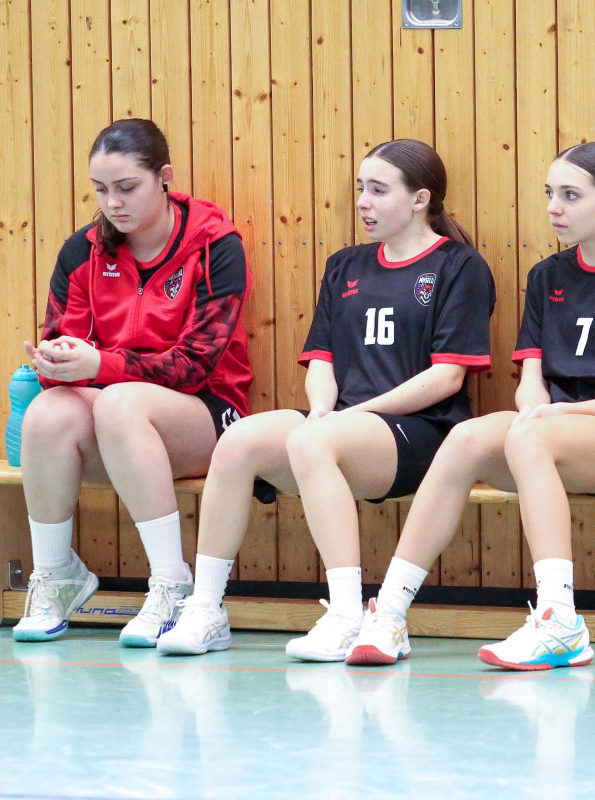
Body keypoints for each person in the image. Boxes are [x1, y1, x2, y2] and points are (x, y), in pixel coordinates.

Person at [346, 141, 595, 669]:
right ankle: (389, 612)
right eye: (551, 193)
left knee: (529, 435)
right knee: (466, 437)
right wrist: (537, 410)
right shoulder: (548, 276)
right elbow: (531, 382)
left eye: (571, 196)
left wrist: (557, 416)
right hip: (548, 430)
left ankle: (560, 620)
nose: (554, 207)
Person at [157, 139, 495, 661]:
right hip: (342, 425)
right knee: (239, 440)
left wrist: (346, 419)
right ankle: (206, 609)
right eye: (360, 188)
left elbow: (447, 377)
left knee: (314, 441)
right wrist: (321, 409)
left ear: (419, 199)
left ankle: (345, 615)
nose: (362, 201)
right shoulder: (345, 266)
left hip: (422, 431)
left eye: (378, 190)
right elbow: (322, 359)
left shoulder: (459, 266)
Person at [12, 119, 253, 645]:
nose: (112, 203)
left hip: (210, 415)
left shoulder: (215, 246)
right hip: (117, 418)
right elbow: (65, 339)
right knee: (47, 413)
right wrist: (56, 361)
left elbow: (195, 365)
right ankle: (55, 574)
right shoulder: (83, 250)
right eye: (100, 190)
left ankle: (172, 584)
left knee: (118, 401)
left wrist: (100, 365)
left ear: (164, 177)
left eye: (127, 187)